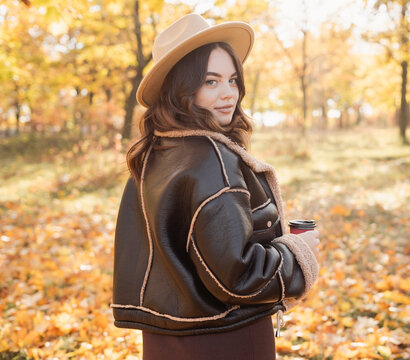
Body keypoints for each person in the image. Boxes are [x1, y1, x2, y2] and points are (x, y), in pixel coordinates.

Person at [112, 13, 320, 360]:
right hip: (225, 339)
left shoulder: (154, 152)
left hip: (166, 339)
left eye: (232, 80)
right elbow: (236, 276)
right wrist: (298, 253)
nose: (229, 94)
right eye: (211, 82)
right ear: (181, 87)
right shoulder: (212, 159)